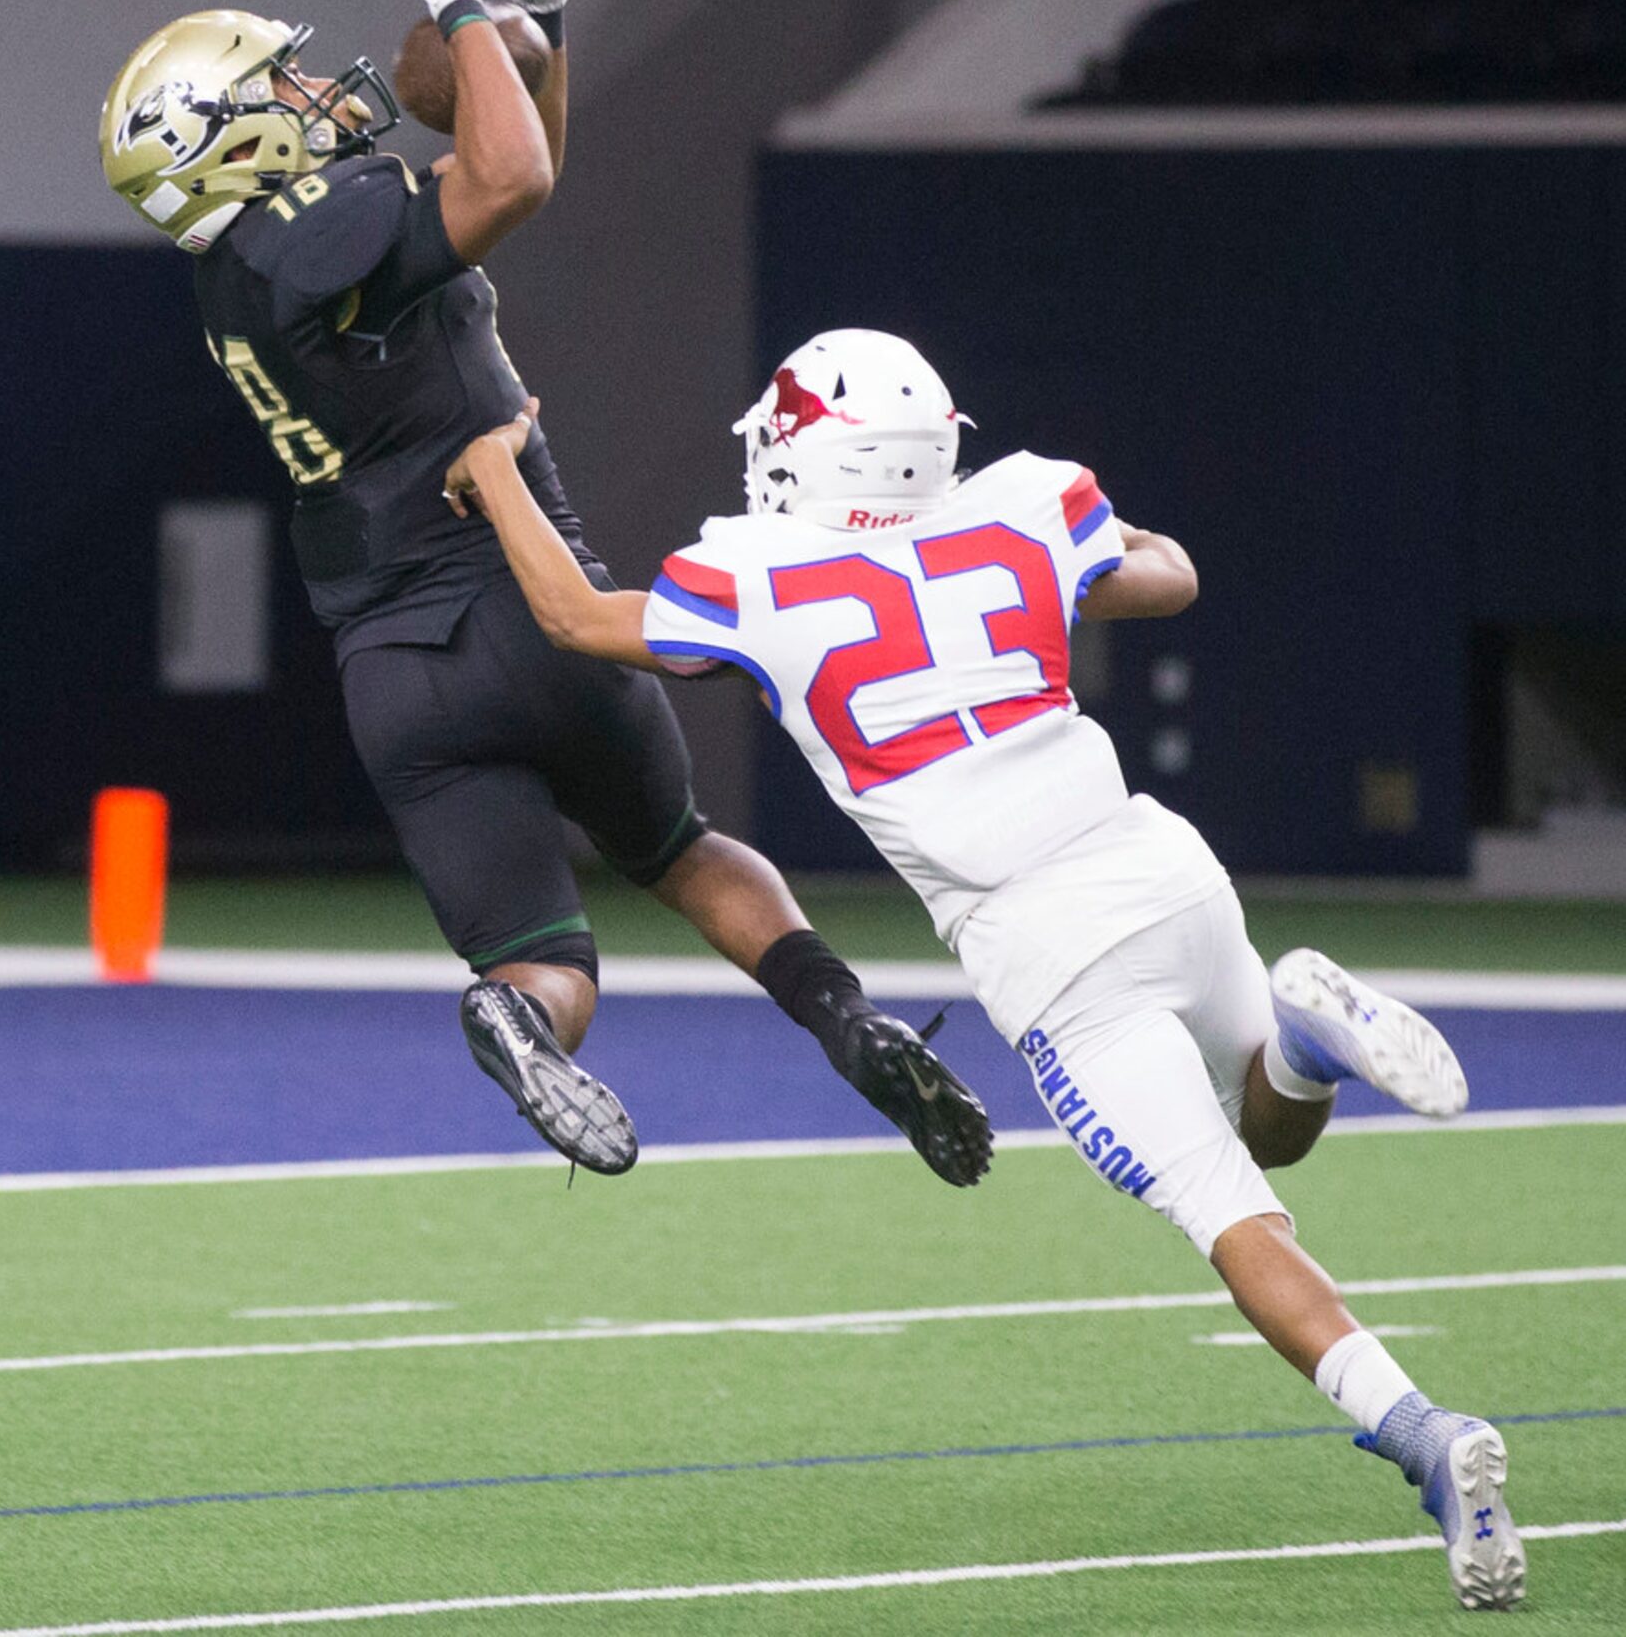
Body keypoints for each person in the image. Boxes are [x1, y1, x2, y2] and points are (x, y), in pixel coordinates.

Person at [443, 326, 1525, 1612]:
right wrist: (1066, 576)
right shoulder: (1022, 503)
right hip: (1158, 863)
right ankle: (1299, 1034)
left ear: (808, 454)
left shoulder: (754, 575)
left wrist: (495, 461)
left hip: (1045, 942)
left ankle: (1420, 1432)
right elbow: (1168, 574)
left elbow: (570, 615)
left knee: (1234, 1212)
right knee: (1270, 1128)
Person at [97, 0, 991, 1192]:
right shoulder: (310, 230)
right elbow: (509, 172)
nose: (304, 92)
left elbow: (525, 161)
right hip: (526, 601)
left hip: (394, 673)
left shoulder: (240, 282)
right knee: (681, 852)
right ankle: (835, 1012)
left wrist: (544, 26)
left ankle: (517, 1025)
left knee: (542, 962)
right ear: (221, 141)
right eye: (270, 89)